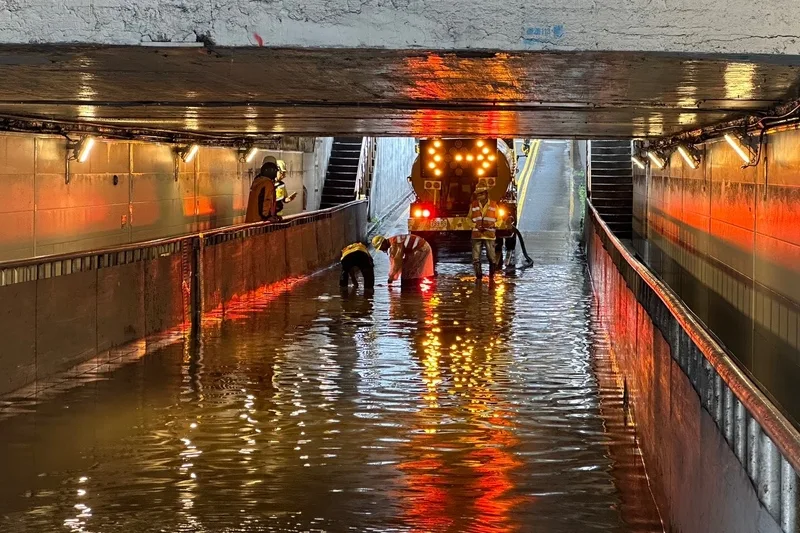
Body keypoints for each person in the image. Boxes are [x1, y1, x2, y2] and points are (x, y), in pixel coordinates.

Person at [470, 186, 499, 283]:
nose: (478, 196)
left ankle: (492, 276)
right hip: (477, 234)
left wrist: (494, 225)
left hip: (489, 235)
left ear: (486, 194)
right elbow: (468, 219)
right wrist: (475, 225)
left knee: (491, 256)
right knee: (475, 257)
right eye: (477, 194)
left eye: (481, 194)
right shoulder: (473, 205)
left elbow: (499, 219)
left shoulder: (494, 205)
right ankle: (479, 277)